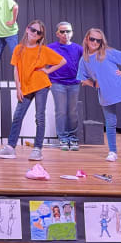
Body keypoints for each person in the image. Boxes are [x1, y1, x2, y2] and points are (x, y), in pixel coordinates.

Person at [0, 20, 66, 161]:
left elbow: (62, 61)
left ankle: (37, 149)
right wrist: (18, 88)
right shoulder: (18, 49)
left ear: (41, 36)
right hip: (25, 87)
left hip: (41, 85)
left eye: (39, 32)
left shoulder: (43, 50)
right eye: (33, 30)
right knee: (18, 116)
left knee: (39, 117)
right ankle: (10, 148)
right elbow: (16, 70)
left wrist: (48, 71)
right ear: (27, 29)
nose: (35, 33)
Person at [77, 28, 121, 163]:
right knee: (110, 123)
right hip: (106, 95)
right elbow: (82, 78)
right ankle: (113, 152)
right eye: (92, 39)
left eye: (98, 40)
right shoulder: (84, 60)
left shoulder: (107, 52)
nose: (95, 42)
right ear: (87, 39)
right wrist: (93, 84)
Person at [47, 22, 83, 151]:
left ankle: (72, 138)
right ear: (57, 34)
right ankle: (62, 138)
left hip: (74, 84)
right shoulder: (50, 48)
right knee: (61, 111)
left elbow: (86, 64)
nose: (65, 34)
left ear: (72, 33)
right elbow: (41, 63)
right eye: (62, 31)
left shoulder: (78, 49)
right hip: (57, 83)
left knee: (72, 112)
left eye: (68, 31)